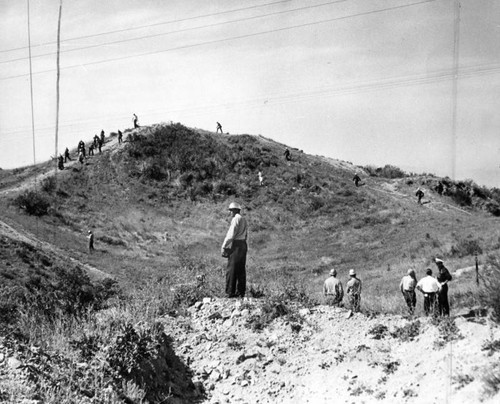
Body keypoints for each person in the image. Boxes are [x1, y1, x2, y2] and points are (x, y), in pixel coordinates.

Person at [221, 202, 248, 298]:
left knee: (231, 269)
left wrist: (224, 246)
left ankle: (230, 292)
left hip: (236, 245)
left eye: (231, 210)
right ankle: (241, 292)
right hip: (243, 244)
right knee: (241, 269)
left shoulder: (236, 219)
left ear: (235, 210)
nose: (230, 212)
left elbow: (231, 235)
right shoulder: (243, 219)